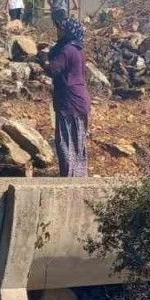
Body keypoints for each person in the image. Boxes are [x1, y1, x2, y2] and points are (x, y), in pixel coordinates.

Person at [45, 9, 90, 177]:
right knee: (78, 142)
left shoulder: (66, 50)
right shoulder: (79, 50)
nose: (58, 31)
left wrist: (42, 61)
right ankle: (79, 177)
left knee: (66, 142)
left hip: (69, 101)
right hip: (80, 100)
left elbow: (53, 70)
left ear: (67, 31)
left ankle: (69, 178)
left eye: (61, 29)